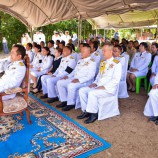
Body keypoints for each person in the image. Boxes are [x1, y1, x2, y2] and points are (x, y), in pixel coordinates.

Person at [77, 44, 122, 124]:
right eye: (102, 50)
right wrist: (95, 83)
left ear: (111, 52)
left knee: (92, 93)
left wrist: (104, 87)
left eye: (104, 51)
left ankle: (93, 114)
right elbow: (99, 75)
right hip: (98, 86)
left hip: (108, 89)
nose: (103, 52)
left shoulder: (117, 64)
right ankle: (86, 110)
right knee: (82, 90)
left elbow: (116, 80)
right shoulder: (103, 62)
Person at [56, 44, 97, 111]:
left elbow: (91, 75)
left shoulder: (92, 62)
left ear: (88, 52)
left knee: (71, 85)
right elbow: (74, 71)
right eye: (81, 51)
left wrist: (79, 80)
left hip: (84, 81)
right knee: (60, 83)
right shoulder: (80, 60)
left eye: (83, 51)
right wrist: (68, 76)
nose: (81, 53)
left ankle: (71, 103)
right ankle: (64, 101)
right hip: (75, 79)